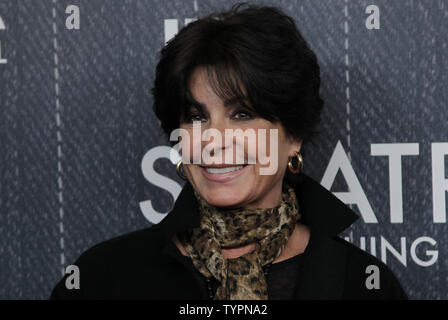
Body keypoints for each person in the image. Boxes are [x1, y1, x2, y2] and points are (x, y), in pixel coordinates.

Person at [50, 3, 407, 300]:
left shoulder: (362, 284)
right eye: (196, 116)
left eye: (242, 114)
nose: (213, 139)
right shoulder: (104, 278)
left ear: (293, 136)